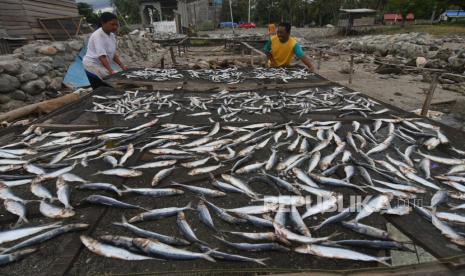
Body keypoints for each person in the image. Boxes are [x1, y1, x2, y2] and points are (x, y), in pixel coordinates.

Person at [83, 12, 127, 80]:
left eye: (116, 25)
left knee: (119, 77)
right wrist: (111, 71)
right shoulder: (98, 35)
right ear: (103, 23)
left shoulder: (112, 35)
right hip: (92, 65)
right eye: (112, 24)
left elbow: (113, 54)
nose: (115, 27)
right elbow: (102, 56)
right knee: (116, 79)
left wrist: (122, 66)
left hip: (101, 65)